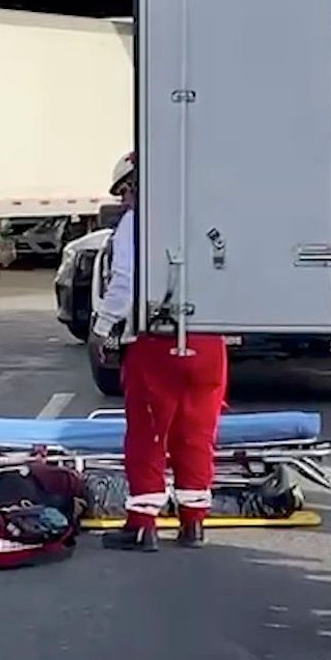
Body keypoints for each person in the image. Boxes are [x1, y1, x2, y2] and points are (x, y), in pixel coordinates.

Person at [92, 151, 228, 551]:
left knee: (149, 434)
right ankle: (193, 523)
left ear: (136, 185)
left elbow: (124, 282)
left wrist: (103, 330)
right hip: (208, 341)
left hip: (156, 342)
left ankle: (142, 525)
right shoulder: (210, 216)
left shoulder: (139, 223)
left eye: (125, 194)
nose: (124, 203)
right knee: (197, 433)